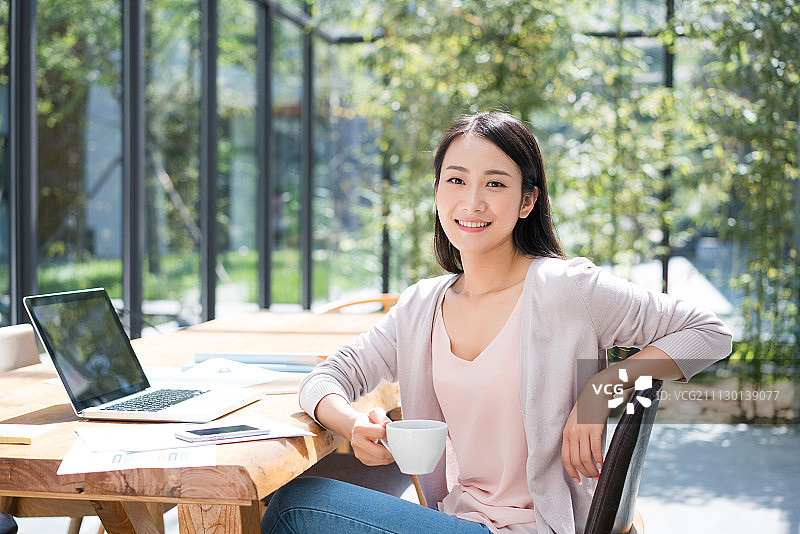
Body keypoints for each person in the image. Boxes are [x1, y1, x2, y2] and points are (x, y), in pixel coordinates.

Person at [260, 111, 732, 534]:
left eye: (496, 184)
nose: (473, 201)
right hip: (459, 520)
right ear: (438, 191)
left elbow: (710, 334)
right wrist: (353, 424)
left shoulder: (565, 289)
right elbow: (325, 378)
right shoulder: (421, 306)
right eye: (456, 180)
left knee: (296, 507)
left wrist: (603, 387)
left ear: (527, 201)